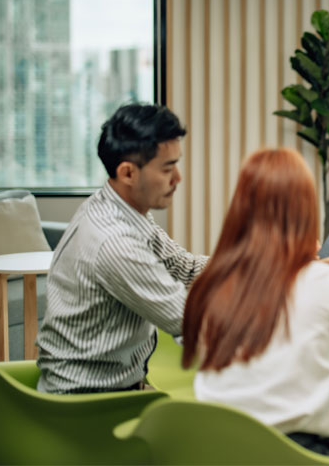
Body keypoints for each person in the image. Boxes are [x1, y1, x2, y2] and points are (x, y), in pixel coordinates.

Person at [182, 148, 329, 456]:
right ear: (305, 211)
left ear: (240, 209)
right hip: (299, 455)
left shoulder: (212, 283)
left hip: (218, 451)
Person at [37, 103, 207, 394]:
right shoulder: (115, 241)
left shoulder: (121, 209)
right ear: (128, 173)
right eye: (168, 168)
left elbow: (186, 267)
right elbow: (188, 321)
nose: (178, 178)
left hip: (118, 382)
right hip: (86, 401)